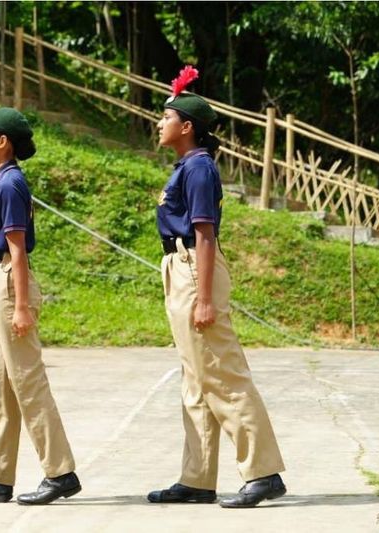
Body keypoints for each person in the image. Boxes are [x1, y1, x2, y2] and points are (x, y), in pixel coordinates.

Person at [147, 66, 286, 509]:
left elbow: (204, 234)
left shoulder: (199, 168)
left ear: (187, 127)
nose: (159, 123)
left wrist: (204, 298)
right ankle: (197, 478)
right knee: (196, 378)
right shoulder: (188, 166)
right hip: (182, 267)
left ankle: (263, 472)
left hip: (195, 268)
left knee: (222, 372)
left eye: (166, 117)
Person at [0, 88, 80, 506]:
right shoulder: (0, 181)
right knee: (0, 386)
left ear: (2, 141)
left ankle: (60, 472)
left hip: (8, 282)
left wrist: (21, 306)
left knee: (27, 381)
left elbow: (17, 250)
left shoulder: (10, 184)